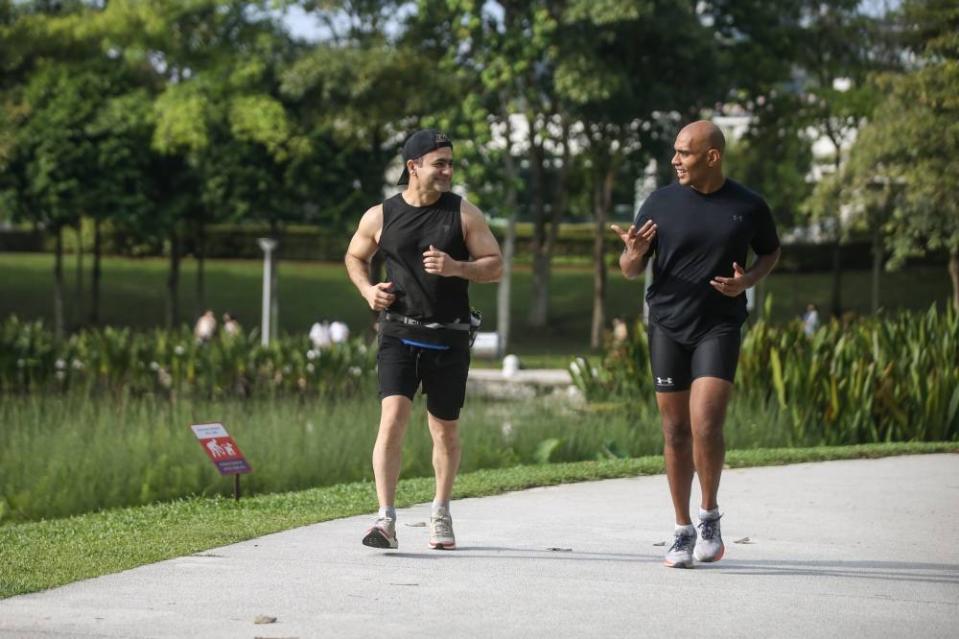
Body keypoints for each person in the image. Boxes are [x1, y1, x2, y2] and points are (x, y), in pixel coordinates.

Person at [611, 120, 781, 568]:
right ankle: (682, 529)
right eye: (675, 152)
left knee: (706, 423)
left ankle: (709, 514)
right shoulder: (660, 203)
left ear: (712, 156)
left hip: (718, 324)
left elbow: (770, 252)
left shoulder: (748, 206)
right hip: (667, 324)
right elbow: (630, 268)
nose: (675, 160)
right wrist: (631, 251)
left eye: (684, 153)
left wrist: (746, 280)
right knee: (674, 430)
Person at [345, 129, 502, 550]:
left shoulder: (463, 214)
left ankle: (440, 510)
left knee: (444, 431)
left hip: (449, 335)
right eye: (440, 164)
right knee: (392, 419)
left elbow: (495, 267)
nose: (448, 171)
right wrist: (367, 291)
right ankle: (385, 519)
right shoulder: (380, 215)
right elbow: (355, 256)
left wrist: (456, 268)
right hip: (398, 333)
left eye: (451, 163)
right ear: (413, 167)